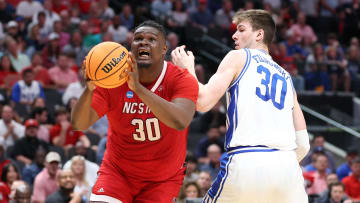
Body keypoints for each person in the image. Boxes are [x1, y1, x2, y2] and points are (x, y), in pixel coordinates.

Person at [172, 9, 310, 202]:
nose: (234, 35)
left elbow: (202, 102)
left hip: (248, 160)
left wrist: (187, 68)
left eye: (241, 29)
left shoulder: (239, 57)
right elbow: (303, 144)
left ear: (259, 34)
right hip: (288, 171)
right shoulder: (286, 77)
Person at [71, 20, 198, 203]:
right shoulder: (112, 80)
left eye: (151, 39)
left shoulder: (180, 79)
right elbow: (78, 124)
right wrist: (89, 88)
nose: (143, 42)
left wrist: (138, 88)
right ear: (130, 48)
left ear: (164, 49)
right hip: (118, 172)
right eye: (138, 38)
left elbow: (180, 120)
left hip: (162, 179)